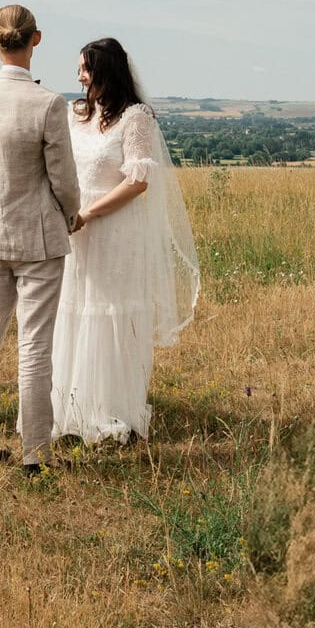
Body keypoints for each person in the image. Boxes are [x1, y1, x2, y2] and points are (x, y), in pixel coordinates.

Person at [51, 37, 200, 445]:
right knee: (77, 310)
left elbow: (138, 181)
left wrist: (89, 213)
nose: (79, 76)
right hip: (75, 230)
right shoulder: (75, 113)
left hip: (114, 229)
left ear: (105, 71)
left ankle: (111, 410)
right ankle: (73, 409)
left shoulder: (136, 118)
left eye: (85, 68)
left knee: (111, 313)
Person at [0, 5, 82, 473]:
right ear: (37, 39)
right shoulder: (48, 103)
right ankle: (35, 454)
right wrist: (70, 215)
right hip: (39, 237)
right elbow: (64, 180)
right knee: (34, 346)